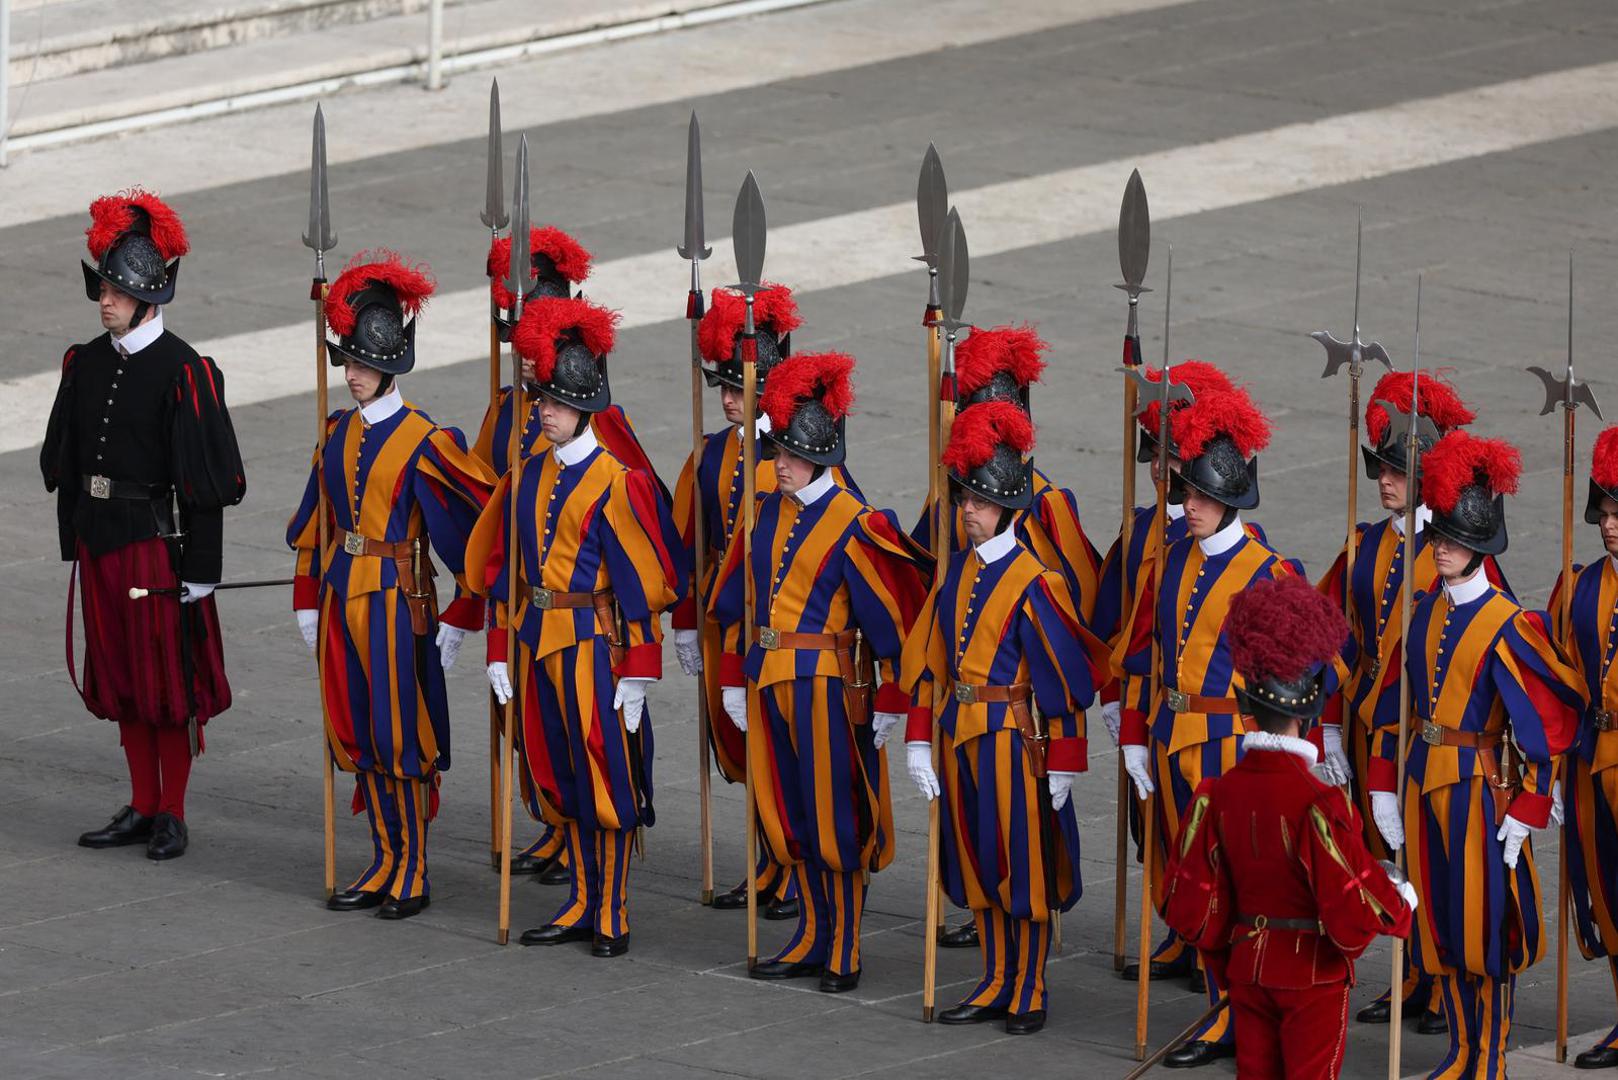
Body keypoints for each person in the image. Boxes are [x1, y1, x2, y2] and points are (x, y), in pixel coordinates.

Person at [468, 296, 683, 957]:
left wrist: (640, 671)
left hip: (596, 651)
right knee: (557, 774)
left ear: (584, 407)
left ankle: (611, 908)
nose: (543, 411)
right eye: (541, 401)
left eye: (555, 403)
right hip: (537, 644)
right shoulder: (526, 475)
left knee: (603, 778)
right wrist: (499, 648)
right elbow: (505, 572)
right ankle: (581, 898)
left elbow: (643, 587)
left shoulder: (621, 484)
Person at [711, 350, 931, 992]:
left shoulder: (856, 526)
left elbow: (893, 627)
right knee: (789, 813)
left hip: (828, 693)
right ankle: (810, 930)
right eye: (776, 449)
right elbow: (738, 601)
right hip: (771, 683)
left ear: (822, 456)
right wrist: (732, 674)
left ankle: (845, 943)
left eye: (789, 453)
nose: (777, 462)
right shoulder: (766, 512)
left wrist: (893, 703)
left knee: (835, 819)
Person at [1367, 431, 1584, 1079]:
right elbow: (1392, 708)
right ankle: (1461, 1049)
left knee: (1483, 932)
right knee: (1437, 928)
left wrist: (1529, 806)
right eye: (1438, 537)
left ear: (1482, 545)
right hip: (1422, 786)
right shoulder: (1422, 611)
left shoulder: (1507, 623)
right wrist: (1383, 785)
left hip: (1478, 794)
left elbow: (1544, 726)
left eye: (1455, 541)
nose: (1442, 548)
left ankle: (1486, 1057)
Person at [286, 251, 495, 920]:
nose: (350, 375)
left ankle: (412, 867)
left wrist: (465, 614)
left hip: (396, 603)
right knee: (358, 733)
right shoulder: (334, 433)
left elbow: (474, 531)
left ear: (391, 365)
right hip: (341, 593)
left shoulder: (428, 440)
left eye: (363, 364)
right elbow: (314, 525)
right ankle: (380, 856)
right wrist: (305, 599)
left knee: (400, 737)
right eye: (346, 362)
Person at [43, 188, 245, 861]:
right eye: (104, 287)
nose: (106, 300)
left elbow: (209, 483)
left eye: (119, 292)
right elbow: (68, 461)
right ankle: (140, 802)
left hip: (158, 550)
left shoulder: (185, 371)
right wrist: (75, 534)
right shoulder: (87, 361)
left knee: (167, 685)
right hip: (101, 542)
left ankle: (172, 813)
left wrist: (202, 573)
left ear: (150, 298)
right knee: (123, 680)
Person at [900, 401, 1109, 1033]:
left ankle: (1029, 984)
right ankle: (993, 977)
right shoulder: (955, 571)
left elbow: (1067, 683)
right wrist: (917, 738)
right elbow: (930, 664)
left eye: (983, 502)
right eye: (965, 497)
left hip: (1015, 747)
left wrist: (1067, 761)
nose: (969, 509)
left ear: (1009, 509)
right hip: (959, 738)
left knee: (1023, 868)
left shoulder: (1035, 581)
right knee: (978, 861)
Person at [1112, 383, 1301, 1068]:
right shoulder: (1174, 557)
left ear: (1227, 496)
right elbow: (1147, 653)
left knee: (1232, 887)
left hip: (1229, 750)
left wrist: (1282, 741)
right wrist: (1136, 731)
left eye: (1195, 495)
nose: (1183, 505)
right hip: (1172, 740)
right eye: (1182, 492)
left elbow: (1310, 670)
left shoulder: (1267, 572)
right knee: (1191, 880)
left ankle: (1228, 1014)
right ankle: (1219, 1004)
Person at [1163, 575, 1417, 1079]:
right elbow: (1351, 898)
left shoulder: (1217, 793)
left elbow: (1189, 900)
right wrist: (1400, 903)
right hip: (1310, 975)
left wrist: (1228, 958)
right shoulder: (1318, 800)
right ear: (1308, 714)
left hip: (1247, 967)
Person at [1316, 370, 1493, 1033]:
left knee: (1432, 859)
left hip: (1425, 734)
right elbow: (1330, 632)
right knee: (1386, 857)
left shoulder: (1455, 552)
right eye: (1379, 467)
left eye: (1395, 468)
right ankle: (1412, 973)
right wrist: (1330, 725)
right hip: (1368, 729)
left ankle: (1444, 979)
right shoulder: (1366, 544)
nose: (1384, 480)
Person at [671, 283, 835, 919]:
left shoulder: (804, 459)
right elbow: (687, 542)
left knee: (783, 748)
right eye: (724, 388)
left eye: (741, 388)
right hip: (725, 621)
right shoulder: (712, 453)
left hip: (781, 627)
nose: (730, 399)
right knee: (741, 749)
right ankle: (768, 859)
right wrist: (688, 623)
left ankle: (793, 866)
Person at [1091, 361, 1259, 977]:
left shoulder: (1256, 565)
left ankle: (1214, 961)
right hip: (1163, 712)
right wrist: (1122, 706)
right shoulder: (1150, 536)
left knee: (1221, 854)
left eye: (1179, 465)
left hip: (1222, 731)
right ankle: (1182, 931)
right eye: (1160, 458)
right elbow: (1128, 628)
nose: (1163, 471)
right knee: (1164, 839)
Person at [1557, 424, 1618, 1070]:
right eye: (1603, 510)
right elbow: (1559, 677)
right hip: (1591, 761)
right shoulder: (1577, 587)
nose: (1609, 524)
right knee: (1607, 894)